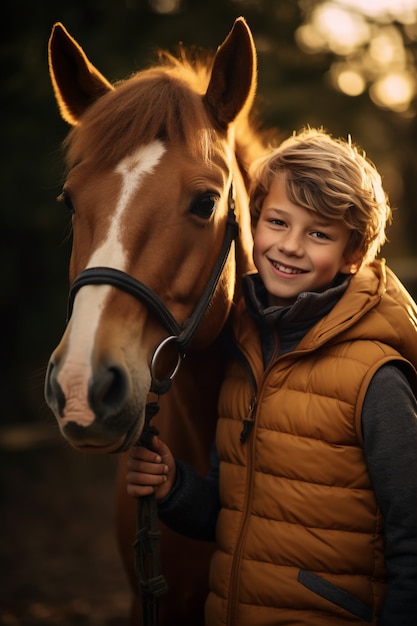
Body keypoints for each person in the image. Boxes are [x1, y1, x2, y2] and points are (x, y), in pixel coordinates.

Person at [126, 128, 417, 625]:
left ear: (354, 255)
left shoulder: (377, 380)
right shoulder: (245, 353)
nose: (290, 246)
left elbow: (412, 543)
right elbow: (233, 509)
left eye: (319, 233)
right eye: (277, 222)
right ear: (254, 224)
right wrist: (176, 487)